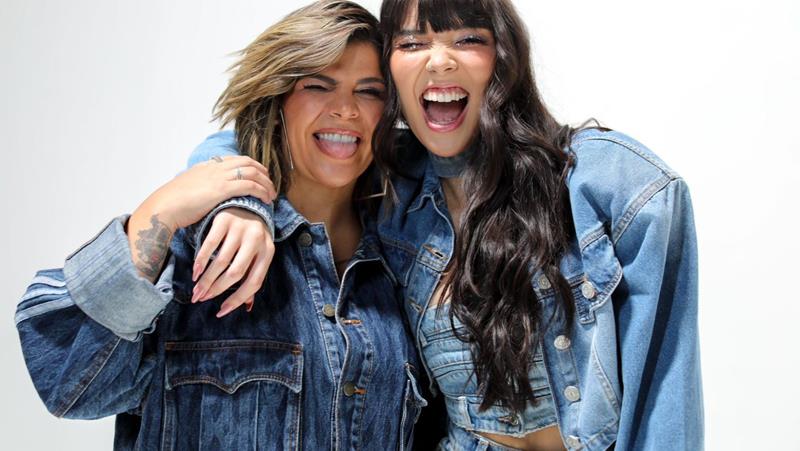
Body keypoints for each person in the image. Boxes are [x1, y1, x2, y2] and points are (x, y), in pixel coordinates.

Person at [189, 1, 703, 450]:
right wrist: (244, 203)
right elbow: (257, 134)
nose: (439, 60)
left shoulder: (606, 182)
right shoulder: (395, 186)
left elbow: (665, 396)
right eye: (413, 43)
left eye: (468, 39)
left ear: (504, 56)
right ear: (391, 73)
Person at [15, 1, 428, 450]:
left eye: (369, 92)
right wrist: (160, 211)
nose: (345, 109)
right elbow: (70, 384)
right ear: (276, 101)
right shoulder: (201, 251)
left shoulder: (407, 266)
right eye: (317, 85)